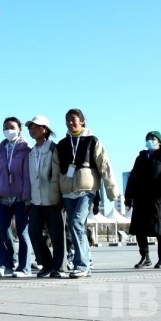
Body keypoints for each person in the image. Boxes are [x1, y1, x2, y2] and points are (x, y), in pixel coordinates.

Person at [52, 109, 118, 279]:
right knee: (77, 227)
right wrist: (55, 196)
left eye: (73, 119)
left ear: (82, 121)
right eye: (67, 120)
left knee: (76, 223)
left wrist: (112, 191)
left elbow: (105, 166)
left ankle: (82, 265)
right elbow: (55, 173)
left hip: (86, 191)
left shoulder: (92, 141)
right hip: (67, 192)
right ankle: (86, 261)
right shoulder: (62, 145)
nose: (70, 122)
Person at [0, 117, 32, 278]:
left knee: (23, 232)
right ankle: (4, 264)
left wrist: (27, 197)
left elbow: (27, 176)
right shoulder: (0, 150)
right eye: (5, 128)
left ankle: (24, 267)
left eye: (12, 127)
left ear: (19, 129)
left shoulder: (25, 150)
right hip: (3, 197)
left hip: (20, 197)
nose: (9, 130)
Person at [124, 131, 161, 269]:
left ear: (159, 142)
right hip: (141, 197)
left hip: (159, 199)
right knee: (140, 229)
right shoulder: (141, 157)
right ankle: (145, 257)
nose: (150, 141)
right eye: (148, 139)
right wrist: (128, 195)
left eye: (153, 138)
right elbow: (132, 176)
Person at [25, 115, 64, 278]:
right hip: (36, 199)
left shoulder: (54, 149)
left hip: (52, 199)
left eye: (36, 127)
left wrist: (59, 197)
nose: (32, 130)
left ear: (45, 130)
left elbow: (59, 174)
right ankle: (46, 263)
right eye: (30, 128)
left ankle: (58, 267)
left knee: (56, 235)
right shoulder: (31, 152)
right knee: (33, 231)